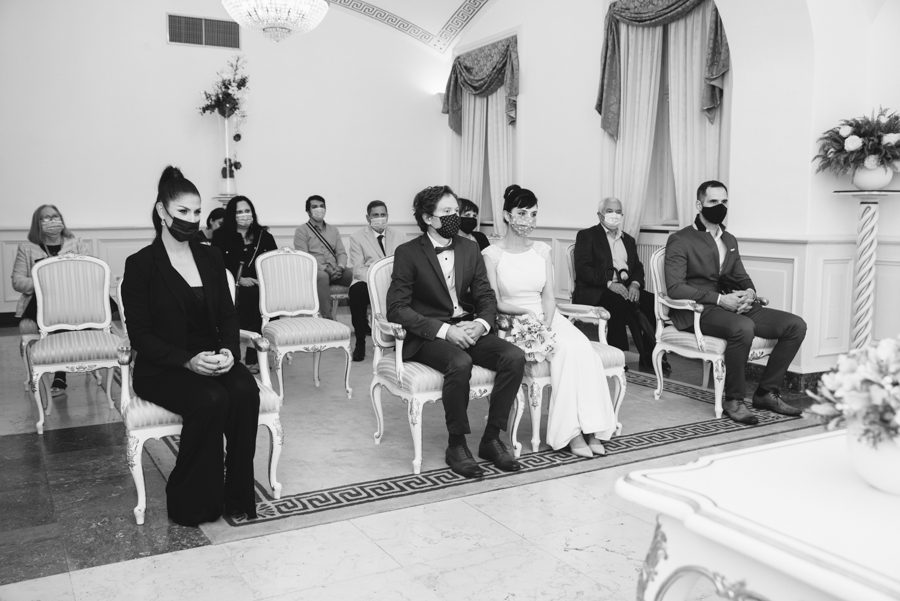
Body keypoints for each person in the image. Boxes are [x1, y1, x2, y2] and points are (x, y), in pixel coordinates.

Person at [122, 166, 261, 526]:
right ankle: (193, 499)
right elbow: (141, 336)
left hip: (212, 356)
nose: (191, 219)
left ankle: (237, 494)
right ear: (162, 211)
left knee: (245, 390)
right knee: (210, 399)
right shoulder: (140, 265)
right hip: (163, 366)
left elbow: (228, 315)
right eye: (182, 211)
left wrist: (228, 350)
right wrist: (187, 362)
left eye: (197, 212)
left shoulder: (210, 257)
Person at [387, 185, 526, 478]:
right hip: (429, 335)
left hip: (467, 326)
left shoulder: (470, 248)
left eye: (455, 211)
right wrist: (443, 331)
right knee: (460, 363)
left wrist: (481, 324)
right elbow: (397, 308)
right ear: (428, 218)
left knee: (513, 356)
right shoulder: (408, 253)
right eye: (446, 212)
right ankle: (457, 445)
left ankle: (491, 438)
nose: (454, 217)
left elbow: (485, 295)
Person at [483, 186, 617, 457]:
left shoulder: (542, 250)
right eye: (522, 213)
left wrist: (546, 321)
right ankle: (571, 433)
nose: (528, 220)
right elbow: (494, 300)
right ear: (507, 216)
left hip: (548, 317)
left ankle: (592, 428)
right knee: (564, 351)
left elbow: (548, 296)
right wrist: (526, 315)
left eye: (533, 214)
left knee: (583, 348)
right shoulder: (491, 254)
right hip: (514, 321)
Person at [665, 180, 806, 425]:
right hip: (698, 310)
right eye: (713, 201)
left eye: (724, 201)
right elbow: (675, 288)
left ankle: (766, 393)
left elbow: (741, 276)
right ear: (699, 204)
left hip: (731, 307)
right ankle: (734, 399)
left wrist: (749, 293)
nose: (720, 207)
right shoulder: (680, 239)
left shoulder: (729, 239)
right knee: (743, 327)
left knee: (795, 325)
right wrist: (721, 299)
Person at [573, 197, 666, 370]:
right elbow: (583, 269)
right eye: (609, 211)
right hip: (597, 289)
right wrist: (609, 284)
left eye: (618, 212)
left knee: (653, 303)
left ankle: (649, 354)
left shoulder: (628, 240)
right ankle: (617, 355)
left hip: (625, 287)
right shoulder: (587, 236)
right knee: (617, 302)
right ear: (600, 215)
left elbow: (637, 266)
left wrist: (635, 284)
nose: (614, 215)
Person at [12, 205, 91, 397]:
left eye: (55, 216)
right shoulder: (26, 248)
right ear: (37, 223)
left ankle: (60, 374)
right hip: (39, 304)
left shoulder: (77, 244)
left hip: (72, 301)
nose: (52, 221)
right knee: (54, 312)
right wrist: (45, 281)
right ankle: (51, 372)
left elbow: (89, 273)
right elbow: (18, 281)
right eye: (45, 218)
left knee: (64, 310)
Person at [212, 196, 277, 373]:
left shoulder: (264, 235)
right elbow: (216, 265)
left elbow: (273, 263)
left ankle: (254, 356)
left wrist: (262, 281)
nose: (244, 215)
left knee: (259, 296)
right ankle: (245, 356)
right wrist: (238, 279)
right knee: (251, 298)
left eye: (247, 211)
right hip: (231, 286)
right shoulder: (221, 236)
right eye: (239, 212)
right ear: (231, 215)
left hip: (261, 285)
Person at [347, 200, 399, 362]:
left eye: (383, 215)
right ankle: (360, 341)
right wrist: (377, 282)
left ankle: (400, 341)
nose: (379, 218)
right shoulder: (357, 237)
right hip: (367, 281)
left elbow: (405, 264)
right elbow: (358, 269)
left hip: (394, 281)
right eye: (375, 215)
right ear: (368, 217)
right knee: (356, 293)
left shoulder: (400, 235)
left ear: (387, 216)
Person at [293, 195, 352, 320]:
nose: (319, 209)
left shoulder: (333, 230)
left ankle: (362, 317)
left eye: (322, 206)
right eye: (314, 207)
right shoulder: (301, 231)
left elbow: (341, 253)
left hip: (336, 270)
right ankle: (328, 319)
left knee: (356, 274)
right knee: (323, 276)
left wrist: (340, 267)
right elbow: (305, 258)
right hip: (316, 271)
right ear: (308, 211)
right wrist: (325, 269)